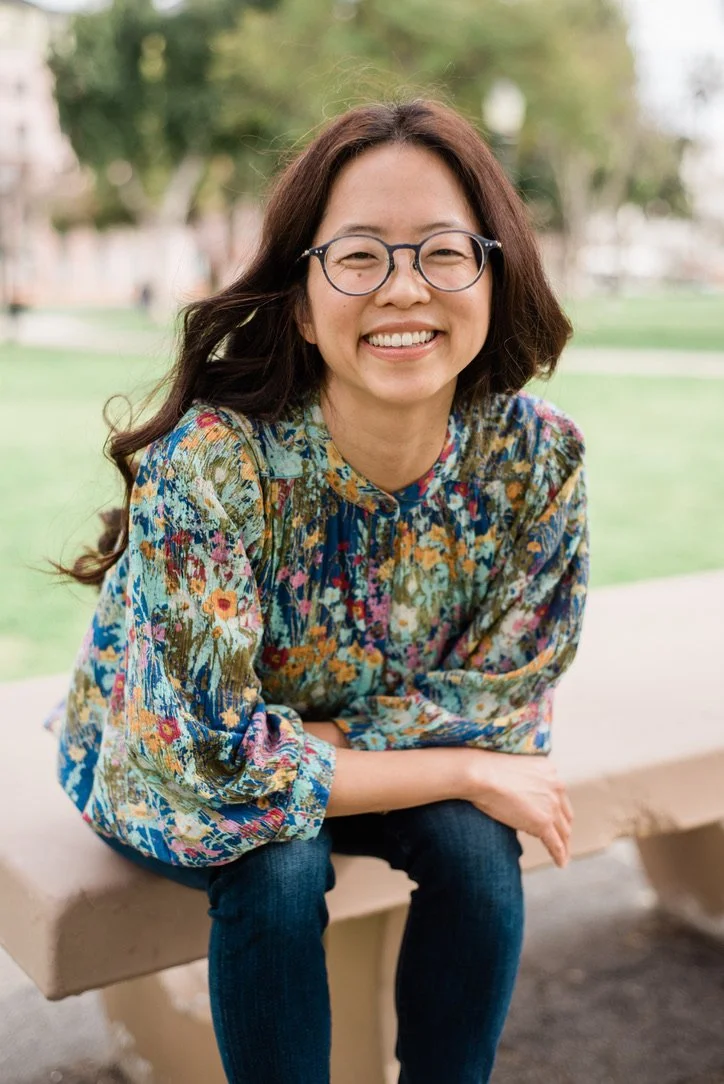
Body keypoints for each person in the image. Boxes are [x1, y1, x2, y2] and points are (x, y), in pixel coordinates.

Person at [55, 99, 589, 1084]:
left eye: (441, 251)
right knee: (277, 860)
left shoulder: (533, 458)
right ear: (301, 298)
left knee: (476, 856)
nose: (402, 288)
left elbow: (503, 704)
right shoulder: (217, 462)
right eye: (358, 256)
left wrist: (361, 752)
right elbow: (201, 762)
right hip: (163, 765)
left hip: (339, 751)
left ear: (493, 270)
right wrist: (461, 767)